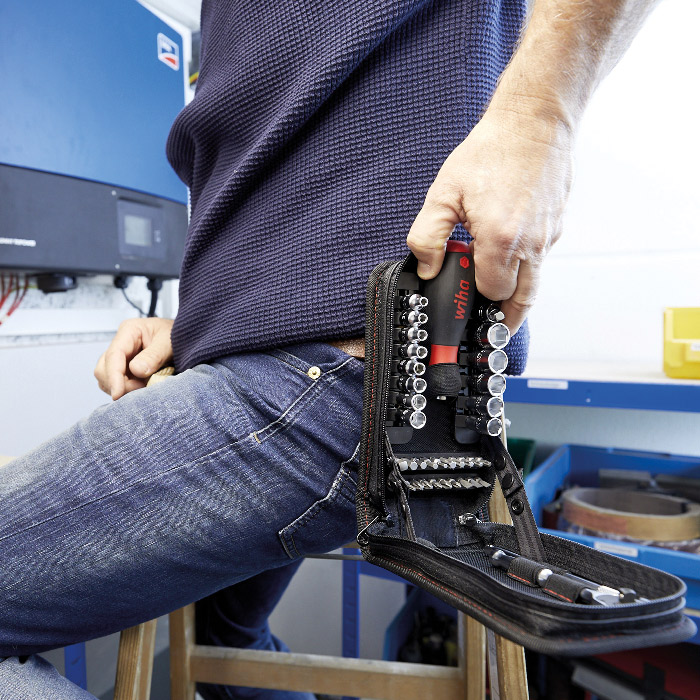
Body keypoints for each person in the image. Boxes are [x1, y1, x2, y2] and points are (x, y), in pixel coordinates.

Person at [0, 0, 659, 698]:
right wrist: (197, 325)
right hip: (282, 360)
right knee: (229, 634)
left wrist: (540, 118)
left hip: (352, 371)